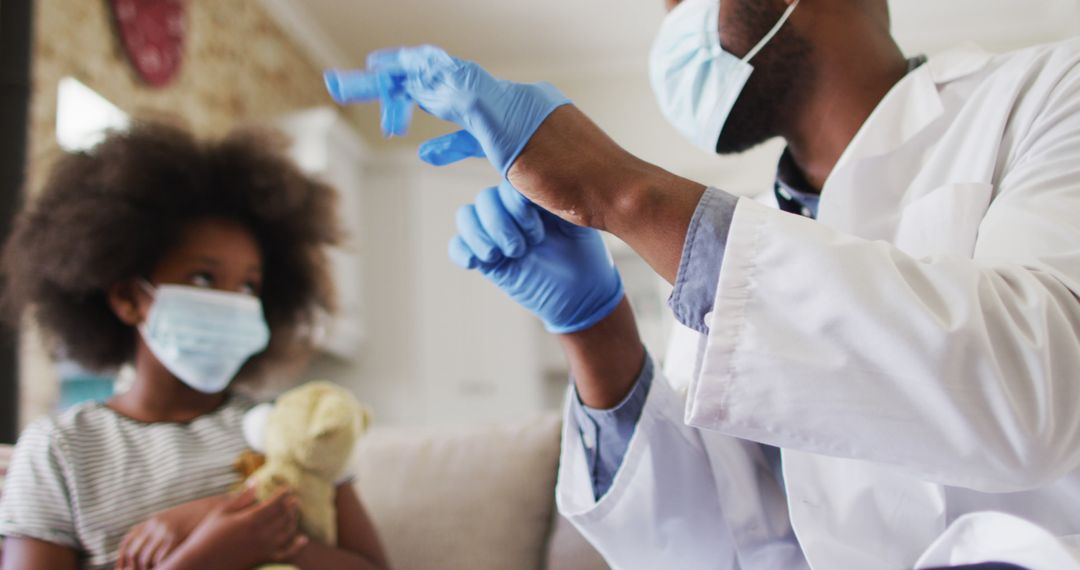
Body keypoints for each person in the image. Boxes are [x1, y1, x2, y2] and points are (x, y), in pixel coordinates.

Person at [326, 0, 1080, 567]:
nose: (670, 28)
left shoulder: (1051, 92)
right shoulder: (735, 251)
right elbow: (717, 548)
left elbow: (1037, 392)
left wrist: (623, 192)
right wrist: (595, 324)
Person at [0, 123, 390, 570]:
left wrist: (270, 537)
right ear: (130, 298)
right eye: (203, 278)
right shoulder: (60, 449)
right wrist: (203, 556)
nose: (231, 302)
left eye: (248, 286)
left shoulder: (288, 427)